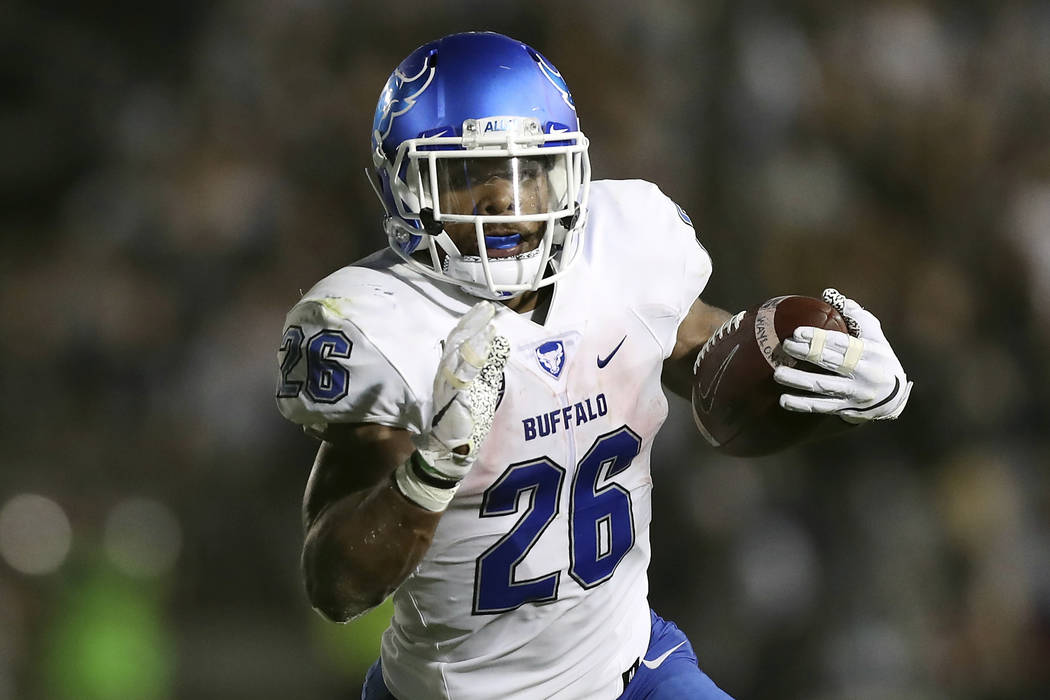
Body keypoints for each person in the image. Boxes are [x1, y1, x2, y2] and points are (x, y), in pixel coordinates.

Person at [274, 32, 912, 700]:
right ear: (403, 188)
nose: (504, 201)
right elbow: (338, 585)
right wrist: (435, 466)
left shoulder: (625, 244)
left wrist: (846, 388)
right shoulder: (373, 322)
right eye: (466, 176)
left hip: (635, 670)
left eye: (526, 170)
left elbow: (715, 377)